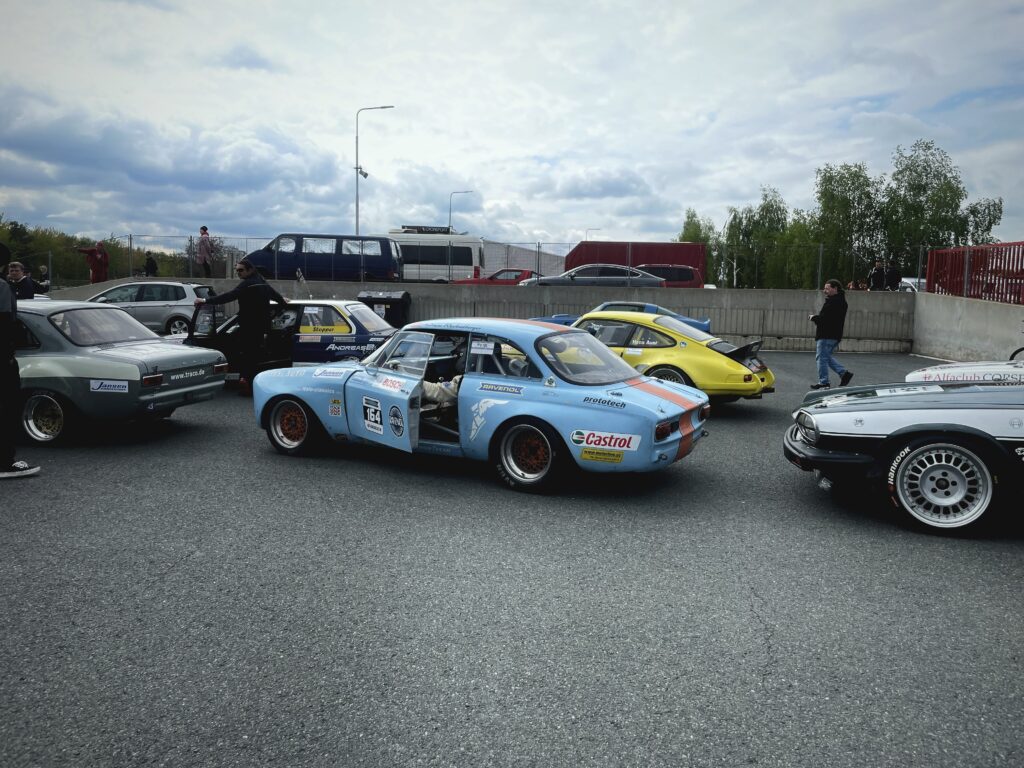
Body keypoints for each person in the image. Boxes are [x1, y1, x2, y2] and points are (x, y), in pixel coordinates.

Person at [194, 257, 286, 394]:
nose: (238, 273)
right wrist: (282, 302)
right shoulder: (262, 283)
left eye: (241, 270)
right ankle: (254, 385)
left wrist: (205, 300)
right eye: (236, 270)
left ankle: (248, 386)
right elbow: (277, 298)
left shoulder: (247, 284)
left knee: (248, 357)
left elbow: (228, 296)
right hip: (263, 328)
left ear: (250, 270)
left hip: (248, 328)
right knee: (255, 357)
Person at [1, 275, 40, 478]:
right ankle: (4, 462)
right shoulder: (2, 286)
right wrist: (7, 354)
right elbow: (5, 322)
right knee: (7, 408)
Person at [808, 279, 852, 390]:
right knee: (825, 357)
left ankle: (824, 382)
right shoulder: (841, 301)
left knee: (821, 358)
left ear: (835, 288)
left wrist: (814, 317)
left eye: (827, 288)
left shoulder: (833, 302)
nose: (824, 291)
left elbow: (825, 320)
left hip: (826, 335)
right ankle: (844, 374)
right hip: (834, 335)